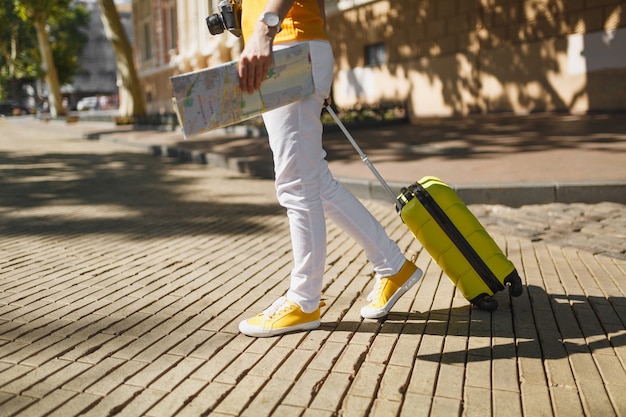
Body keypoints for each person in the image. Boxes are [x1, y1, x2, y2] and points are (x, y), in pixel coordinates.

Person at [237, 0, 422, 337]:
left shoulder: (276, 33)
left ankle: (304, 301)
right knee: (315, 181)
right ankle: (393, 266)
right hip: (296, 44)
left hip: (285, 45)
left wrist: (264, 28)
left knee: (296, 183)